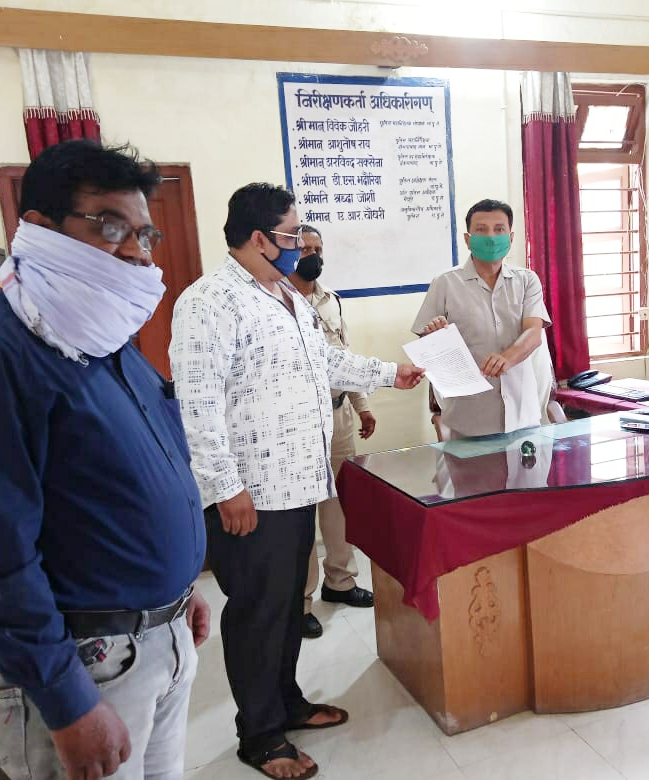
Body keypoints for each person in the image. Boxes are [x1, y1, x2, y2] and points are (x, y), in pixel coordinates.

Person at [0, 139, 211, 780]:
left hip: (159, 638)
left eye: (144, 233)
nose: (136, 250)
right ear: (40, 226)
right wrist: (66, 700)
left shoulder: (105, 336)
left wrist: (177, 590)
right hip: (84, 664)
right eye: (110, 226)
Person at [169, 183, 424, 778]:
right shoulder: (209, 301)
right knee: (256, 613)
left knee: (285, 605)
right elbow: (196, 405)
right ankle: (258, 736)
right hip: (250, 492)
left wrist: (389, 373)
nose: (298, 244)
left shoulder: (285, 294)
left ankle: (286, 703)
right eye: (291, 234)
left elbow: (325, 361)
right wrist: (226, 488)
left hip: (298, 481)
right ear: (260, 238)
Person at [287, 225, 375, 640]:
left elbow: (345, 358)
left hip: (339, 418)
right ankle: (301, 601)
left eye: (317, 249)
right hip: (299, 422)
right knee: (303, 513)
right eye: (304, 249)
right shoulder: (277, 303)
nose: (313, 256)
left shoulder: (331, 300)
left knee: (340, 504)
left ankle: (340, 581)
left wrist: (363, 405)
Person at [411, 198, 553, 439]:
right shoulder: (445, 283)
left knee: (529, 465)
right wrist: (435, 337)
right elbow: (427, 346)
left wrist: (506, 358)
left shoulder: (527, 280)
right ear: (468, 239)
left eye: (499, 229)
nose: (491, 237)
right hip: (469, 418)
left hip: (522, 416)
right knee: (471, 466)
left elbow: (534, 332)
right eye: (481, 229)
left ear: (511, 237)